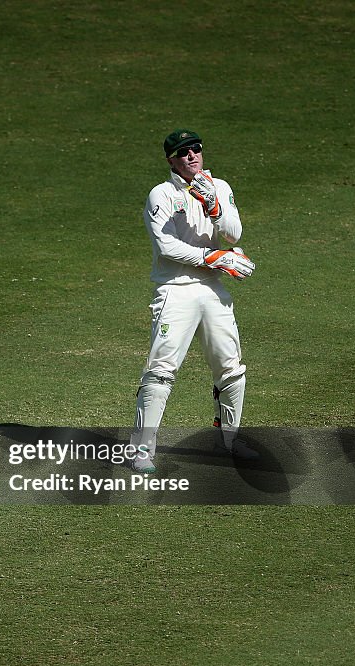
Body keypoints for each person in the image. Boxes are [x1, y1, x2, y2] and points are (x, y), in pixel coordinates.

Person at [129, 130, 257, 474]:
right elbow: (167, 247)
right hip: (175, 290)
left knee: (231, 369)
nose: (191, 155)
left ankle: (229, 441)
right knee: (161, 371)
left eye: (195, 149)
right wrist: (216, 257)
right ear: (171, 159)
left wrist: (214, 207)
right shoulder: (162, 194)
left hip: (214, 291)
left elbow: (233, 234)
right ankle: (141, 450)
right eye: (182, 152)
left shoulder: (221, 186)